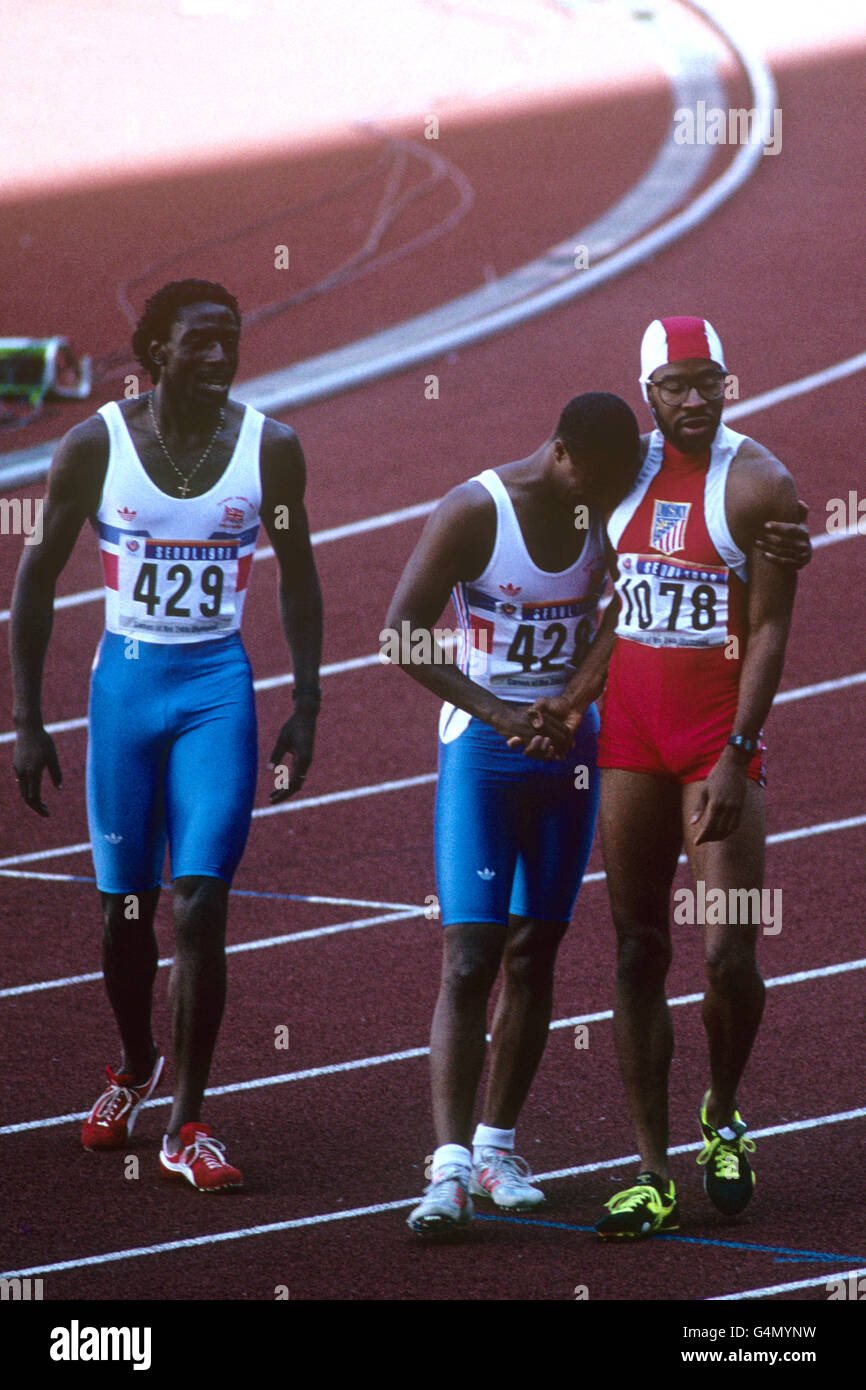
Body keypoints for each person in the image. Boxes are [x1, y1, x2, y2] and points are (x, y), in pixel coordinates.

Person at [10, 279, 323, 1191]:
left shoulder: (273, 449)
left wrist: (307, 701)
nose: (219, 356)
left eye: (229, 339)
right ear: (153, 355)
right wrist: (27, 722)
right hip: (126, 690)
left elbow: (299, 574)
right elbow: (34, 583)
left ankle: (188, 1121)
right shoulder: (93, 446)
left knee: (200, 903)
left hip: (215, 688)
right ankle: (137, 1057)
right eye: (199, 343)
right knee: (124, 913)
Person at [522, 317, 809, 1238]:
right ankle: (650, 1169)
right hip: (632, 736)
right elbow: (623, 602)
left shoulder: (760, 482)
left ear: (727, 382)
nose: (695, 400)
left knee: (728, 952)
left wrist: (738, 749)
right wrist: (575, 695)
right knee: (639, 948)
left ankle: (723, 1113)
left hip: (712, 737)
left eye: (708, 382)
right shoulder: (621, 468)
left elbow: (767, 629)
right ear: (647, 391)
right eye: (677, 386)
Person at [385, 392, 646, 1235]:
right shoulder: (475, 511)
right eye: (601, 482)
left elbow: (629, 608)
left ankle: (498, 1148)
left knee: (537, 952)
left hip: (568, 752)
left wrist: (573, 700)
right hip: (485, 750)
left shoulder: (609, 508)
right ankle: (448, 1165)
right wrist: (500, 714)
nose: (608, 500)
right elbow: (400, 634)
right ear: (564, 452)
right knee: (471, 956)